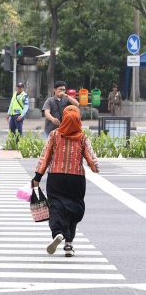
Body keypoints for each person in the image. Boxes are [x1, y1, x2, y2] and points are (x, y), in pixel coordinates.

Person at [33, 105, 99, 257]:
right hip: (76, 179)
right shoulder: (82, 137)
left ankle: (58, 232)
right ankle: (69, 244)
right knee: (73, 208)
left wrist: (37, 177)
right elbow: (92, 160)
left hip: (56, 177)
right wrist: (95, 168)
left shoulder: (55, 135)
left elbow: (45, 157)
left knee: (56, 206)